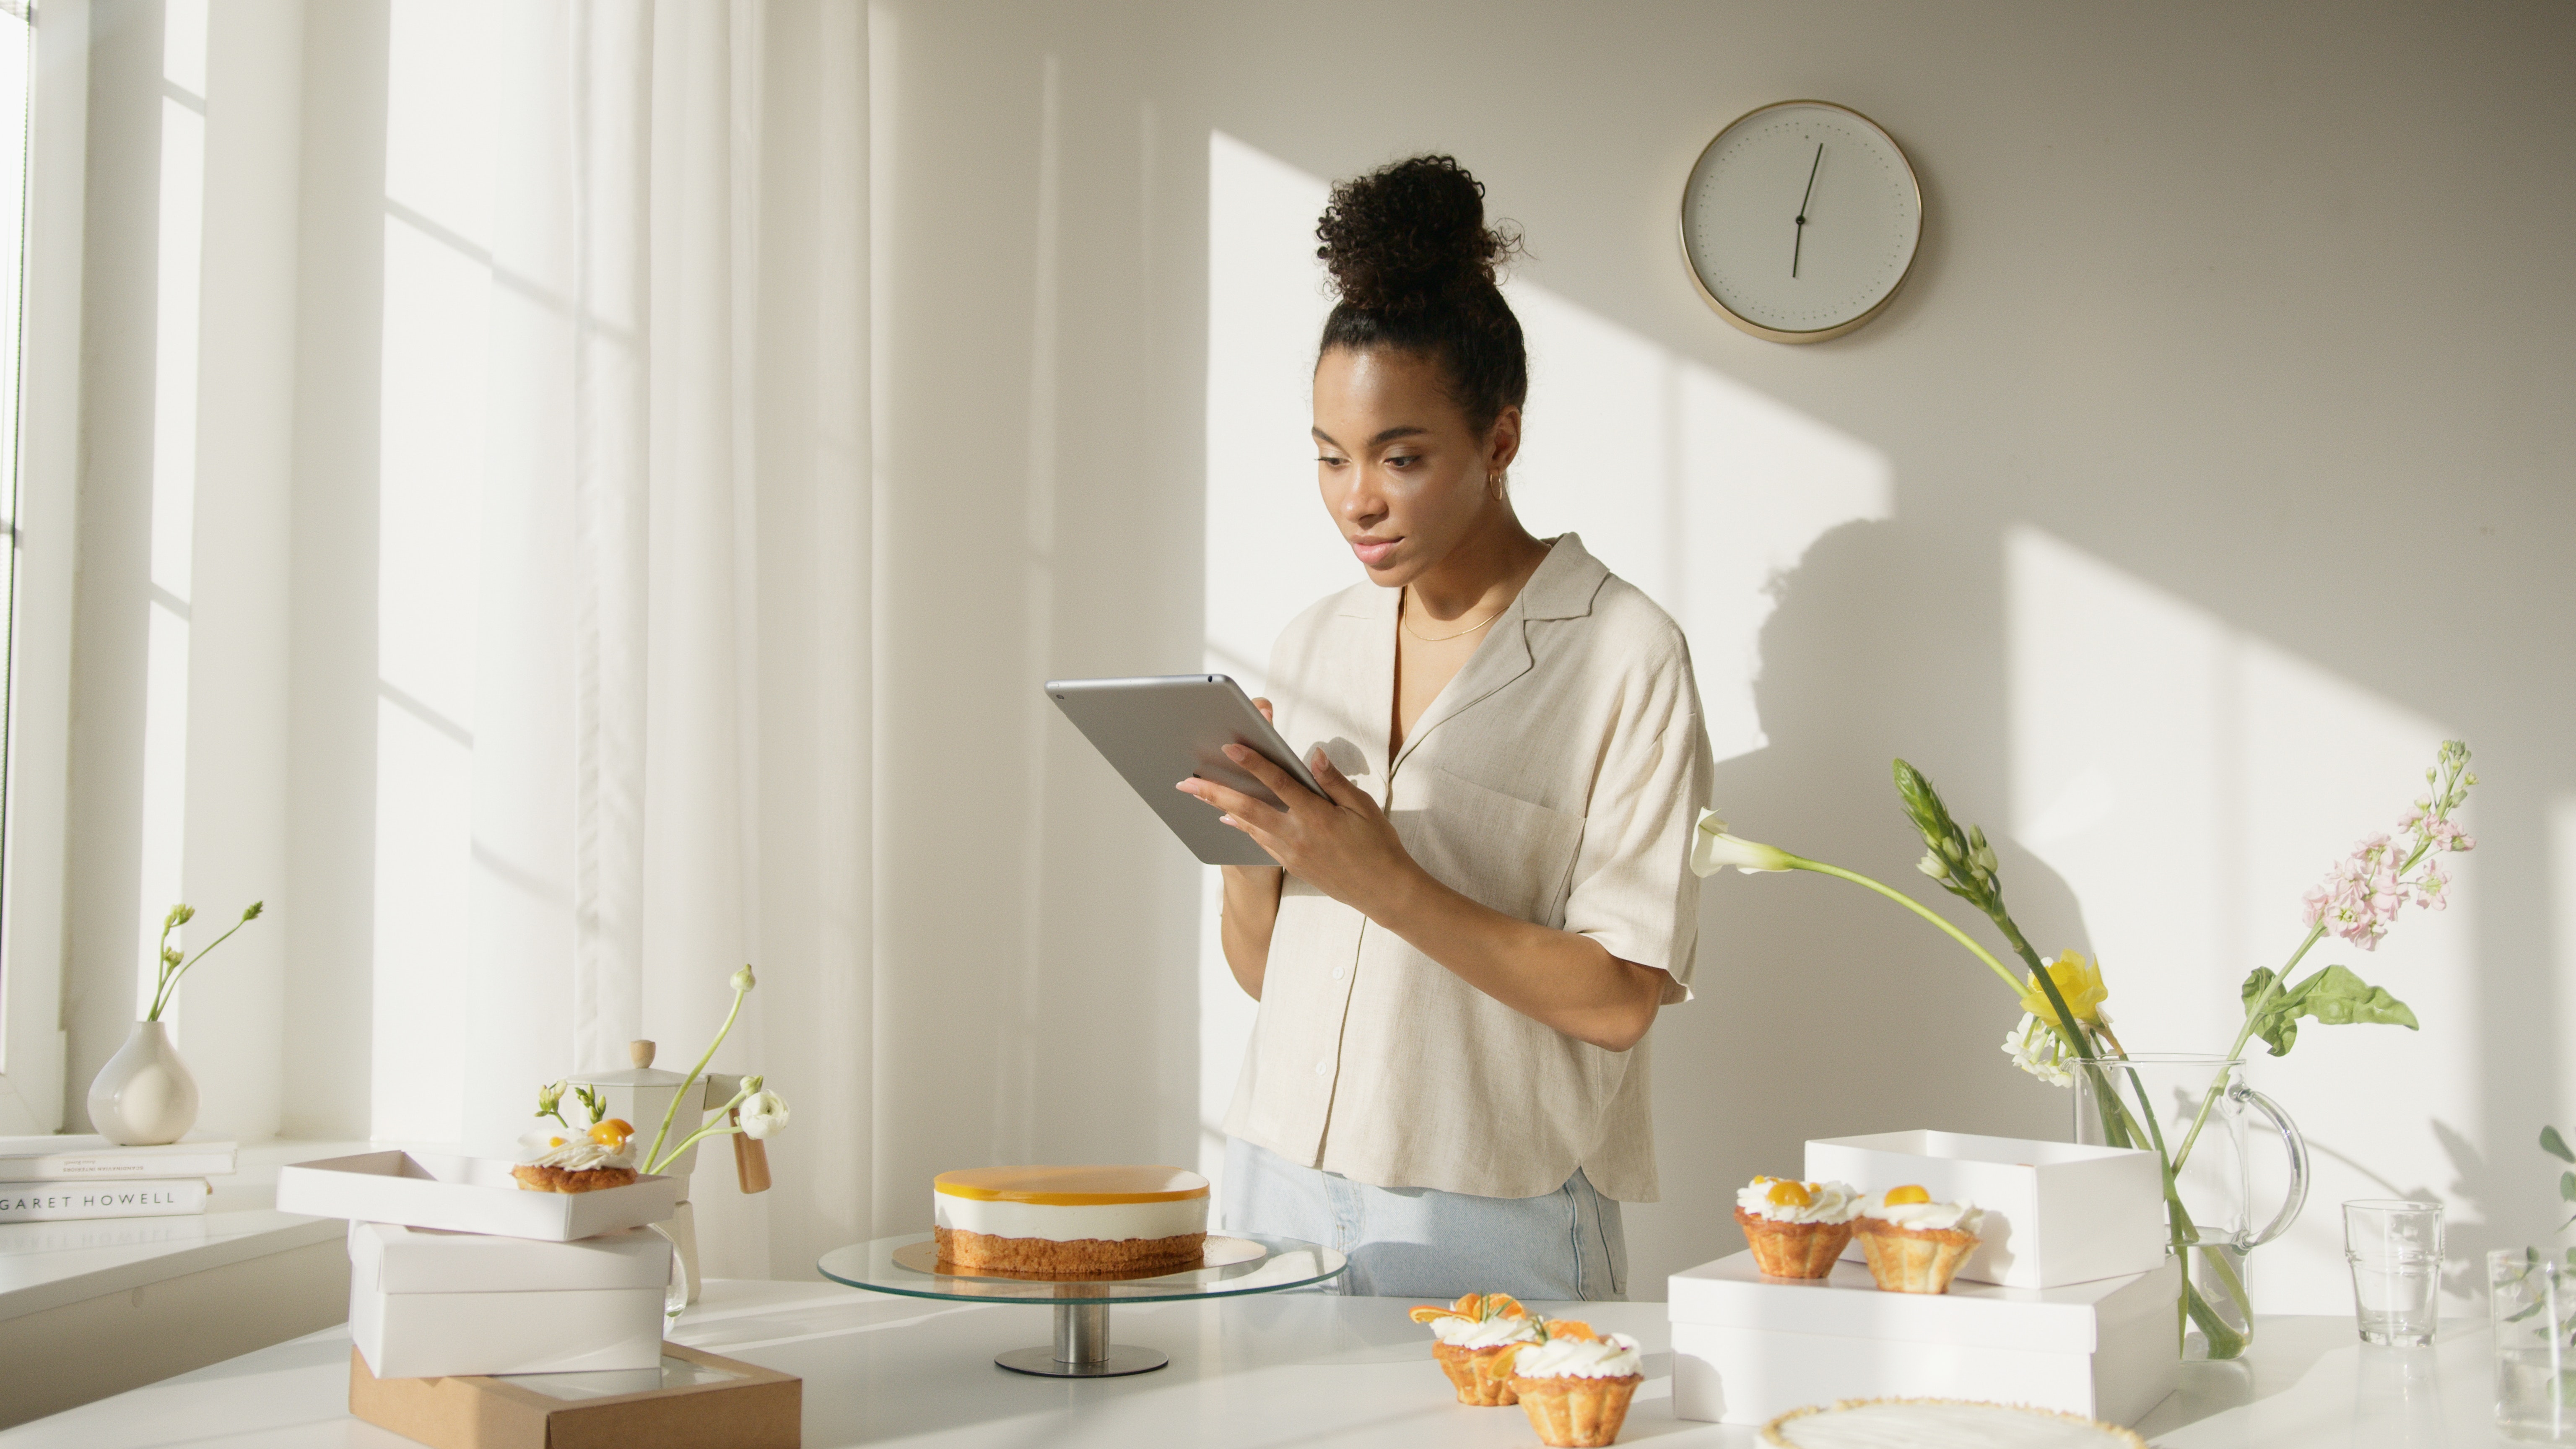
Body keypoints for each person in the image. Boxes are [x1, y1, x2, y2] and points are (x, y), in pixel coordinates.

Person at [1177, 155, 1714, 1301]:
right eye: (1329, 458)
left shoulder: (1625, 654)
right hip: (1275, 1179)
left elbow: (1621, 1000)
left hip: (1492, 1203)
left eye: (1400, 458)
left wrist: (1380, 876)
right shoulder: (1317, 639)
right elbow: (1272, 975)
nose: (1356, 498)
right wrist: (1248, 861)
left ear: (1500, 442)